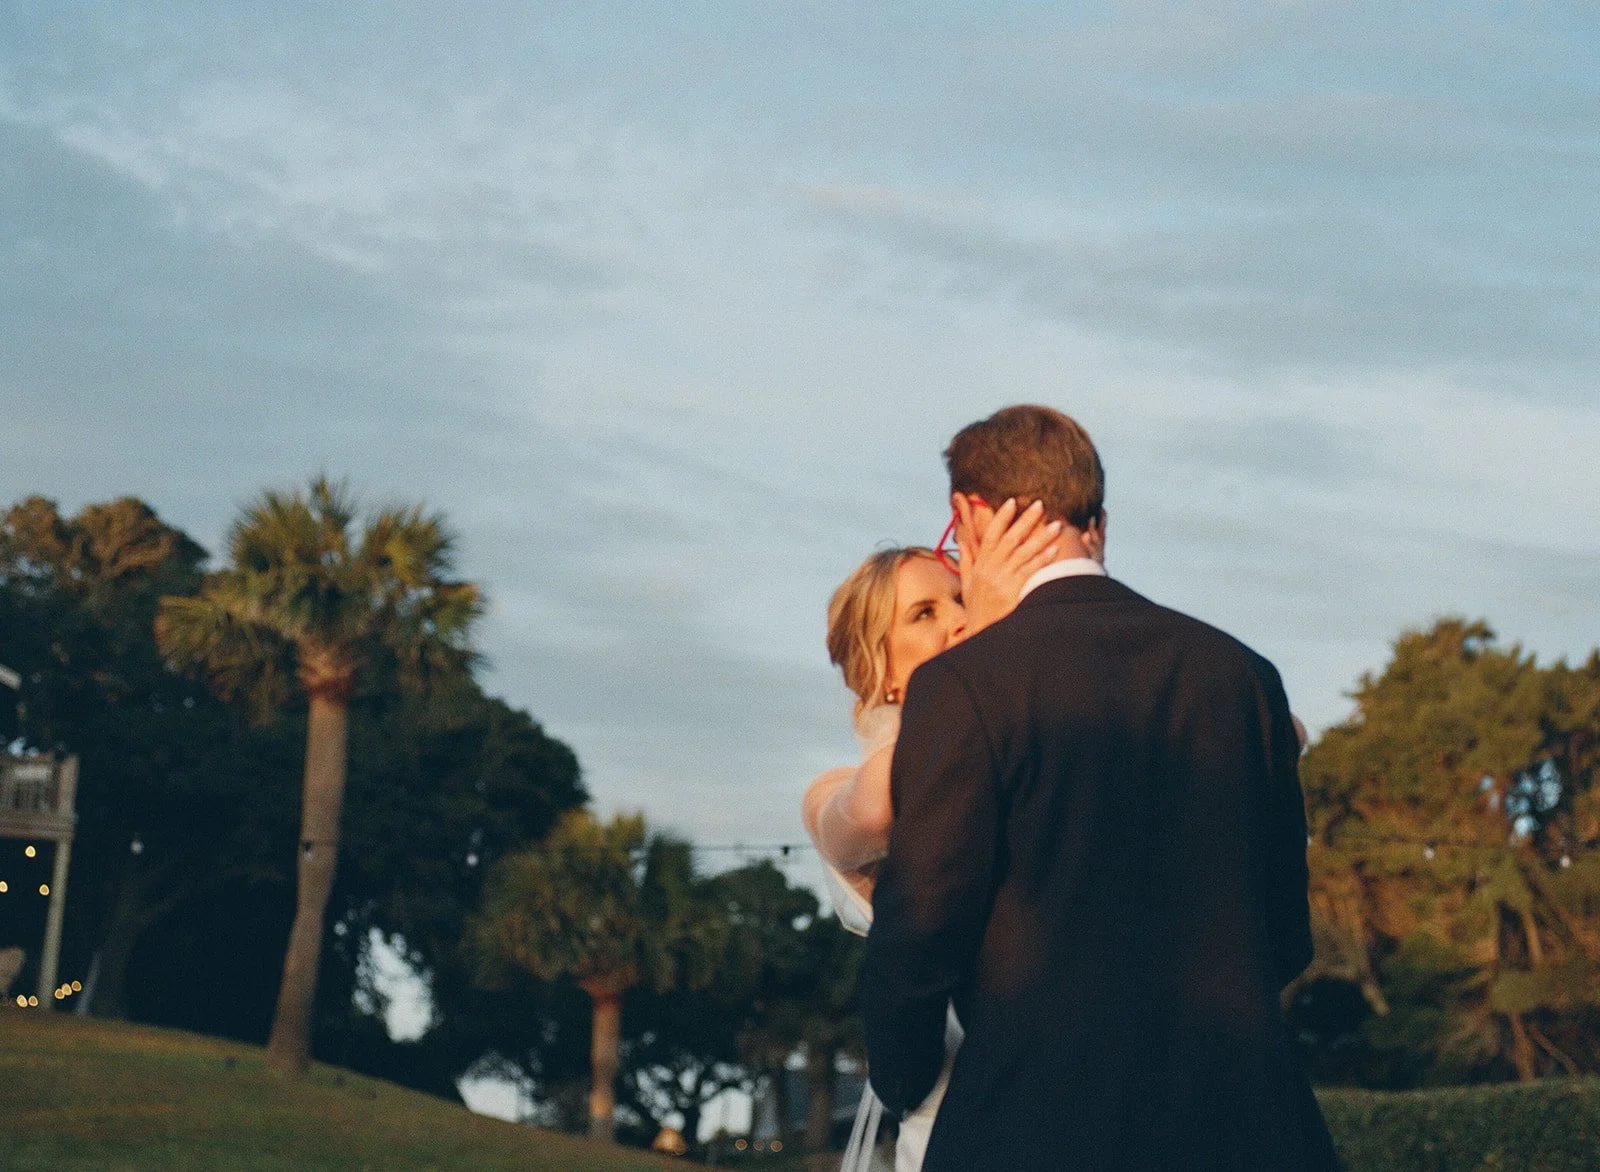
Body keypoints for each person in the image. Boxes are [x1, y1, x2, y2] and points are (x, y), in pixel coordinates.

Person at [858, 405, 1340, 1171]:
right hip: (1248, 1128)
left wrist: (909, 1081)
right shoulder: (1244, 675)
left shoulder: (963, 685)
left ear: (969, 515)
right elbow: (1285, 931)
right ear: (1099, 522)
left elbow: (919, 934)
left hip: (1033, 1127)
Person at [805, 509, 1062, 1171]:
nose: (959, 619)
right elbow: (869, 815)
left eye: (960, 598)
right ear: (881, 672)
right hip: (959, 1127)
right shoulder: (840, 788)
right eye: (924, 613)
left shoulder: (1038, 754)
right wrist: (999, 651)